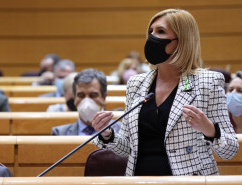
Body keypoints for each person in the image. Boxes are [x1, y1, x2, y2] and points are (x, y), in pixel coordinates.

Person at [91, 9, 238, 176]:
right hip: (139, 179)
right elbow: (127, 148)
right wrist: (107, 134)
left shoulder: (207, 83)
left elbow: (229, 151)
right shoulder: (136, 84)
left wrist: (210, 130)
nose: (152, 37)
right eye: (150, 32)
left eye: (160, 31)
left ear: (182, 40)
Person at [51, 69, 121, 135]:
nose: (86, 101)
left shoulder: (121, 131)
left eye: (93, 95)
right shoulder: (60, 133)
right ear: (75, 98)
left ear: (104, 97)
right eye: (81, 95)